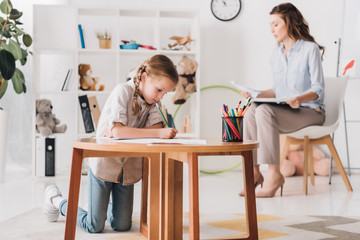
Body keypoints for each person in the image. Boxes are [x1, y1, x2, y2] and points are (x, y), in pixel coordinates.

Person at [43, 54, 179, 233]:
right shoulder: (123, 91)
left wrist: (129, 132)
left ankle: (96, 206)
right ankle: (55, 199)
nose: (161, 97)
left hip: (128, 171)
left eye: (165, 93)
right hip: (104, 165)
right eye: (159, 90)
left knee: (122, 225)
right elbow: (118, 132)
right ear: (145, 78)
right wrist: (149, 132)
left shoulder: (153, 104)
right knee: (94, 226)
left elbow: (148, 133)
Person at [239, 3, 326, 198]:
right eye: (270, 25)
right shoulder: (276, 54)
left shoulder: (310, 49)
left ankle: (274, 175)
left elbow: (318, 89)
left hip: (311, 111)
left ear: (289, 22)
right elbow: (278, 91)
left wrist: (300, 98)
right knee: (253, 107)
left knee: (264, 111)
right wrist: (257, 94)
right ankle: (253, 172)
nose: (272, 30)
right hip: (289, 111)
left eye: (276, 24)